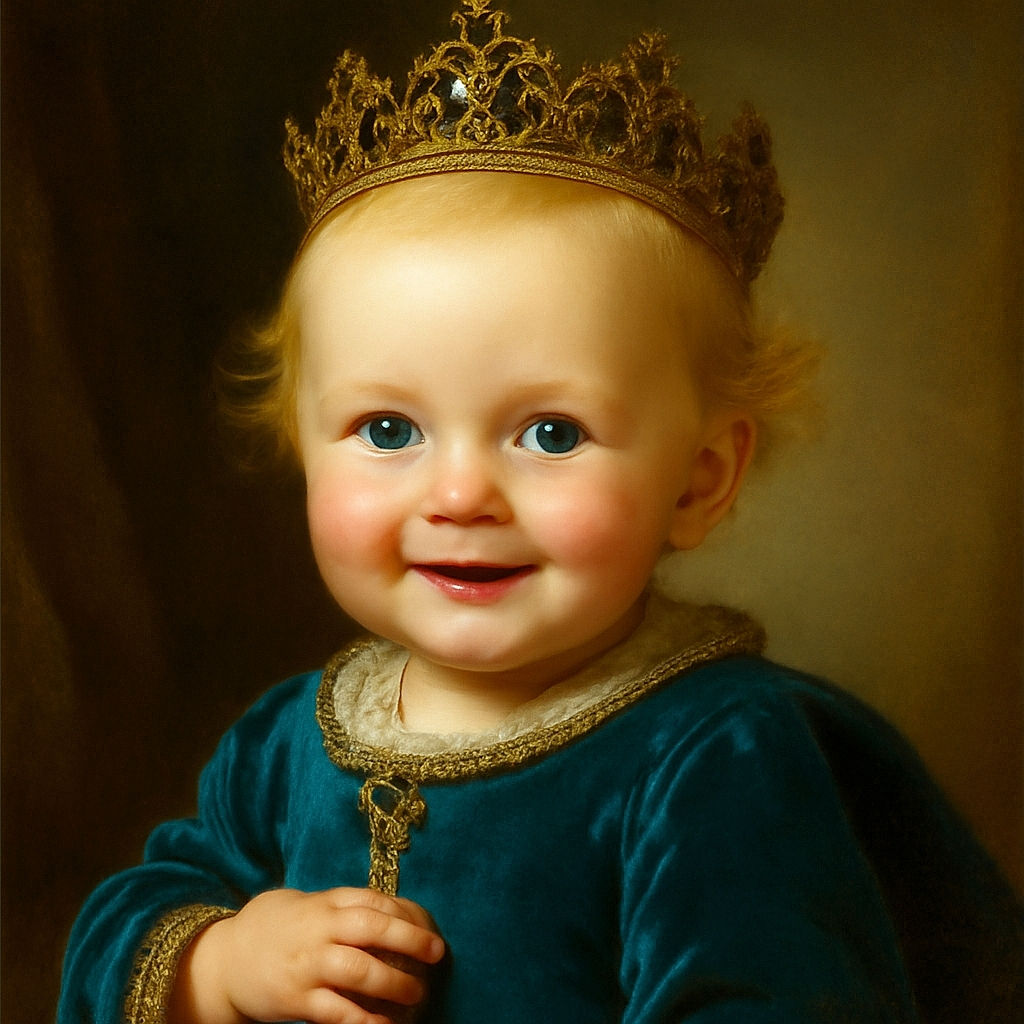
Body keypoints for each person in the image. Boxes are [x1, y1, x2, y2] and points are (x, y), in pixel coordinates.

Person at [58, 2, 1022, 1022]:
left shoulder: (711, 756)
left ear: (699, 480)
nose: (461, 495)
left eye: (550, 434)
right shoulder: (290, 739)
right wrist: (221, 961)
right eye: (388, 429)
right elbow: (138, 910)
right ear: (302, 444)